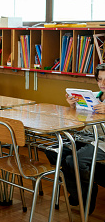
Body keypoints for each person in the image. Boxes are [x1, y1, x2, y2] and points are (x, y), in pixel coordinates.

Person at [45, 63, 105, 214]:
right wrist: (73, 107)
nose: (102, 84)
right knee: (54, 150)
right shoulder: (93, 96)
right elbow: (79, 121)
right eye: (99, 80)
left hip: (102, 143)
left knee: (73, 160)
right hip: (85, 137)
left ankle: (86, 193)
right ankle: (81, 193)